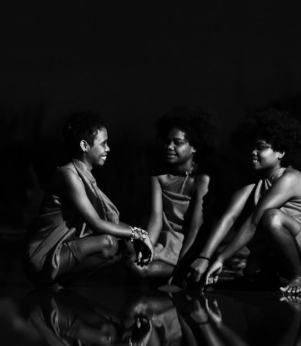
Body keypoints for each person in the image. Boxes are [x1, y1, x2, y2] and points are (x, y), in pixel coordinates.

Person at [187, 108, 301, 294]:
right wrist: (204, 257)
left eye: (261, 147)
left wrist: (221, 259)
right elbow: (229, 218)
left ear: (280, 152)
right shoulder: (253, 188)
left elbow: (255, 220)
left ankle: (300, 278)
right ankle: (271, 274)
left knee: (271, 217)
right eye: (253, 147)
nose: (253, 152)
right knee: (250, 271)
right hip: (294, 258)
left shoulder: (291, 178)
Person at [22, 111, 154, 286]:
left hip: (63, 250)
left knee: (124, 245)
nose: (108, 149)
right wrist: (139, 234)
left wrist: (135, 236)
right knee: (108, 243)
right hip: (43, 258)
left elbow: (107, 221)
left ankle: (60, 284)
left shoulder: (85, 176)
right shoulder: (69, 175)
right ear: (84, 145)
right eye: (103, 144)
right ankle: (55, 282)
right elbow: (97, 224)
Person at [127, 107, 215, 282]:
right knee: (128, 253)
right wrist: (147, 247)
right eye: (167, 142)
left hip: (188, 248)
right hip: (164, 243)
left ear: (195, 147)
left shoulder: (201, 180)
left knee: (136, 268)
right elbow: (156, 221)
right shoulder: (159, 178)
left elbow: (195, 228)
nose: (169, 147)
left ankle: (179, 271)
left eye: (177, 142)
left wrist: (181, 269)